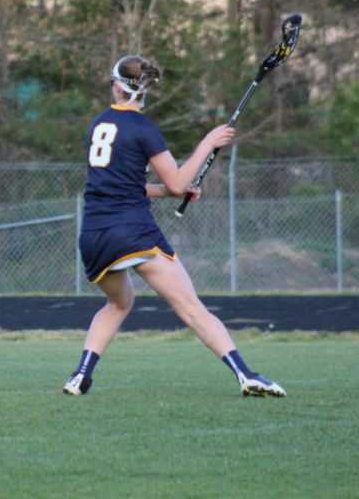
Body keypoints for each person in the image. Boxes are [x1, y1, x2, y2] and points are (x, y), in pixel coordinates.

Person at [63, 55, 286, 398]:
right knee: (192, 309)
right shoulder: (143, 129)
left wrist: (166, 192)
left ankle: (80, 375)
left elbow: (130, 185)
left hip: (94, 236)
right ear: (143, 90)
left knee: (119, 303)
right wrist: (208, 143)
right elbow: (181, 182)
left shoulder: (98, 125)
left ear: (116, 85)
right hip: (133, 232)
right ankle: (245, 374)